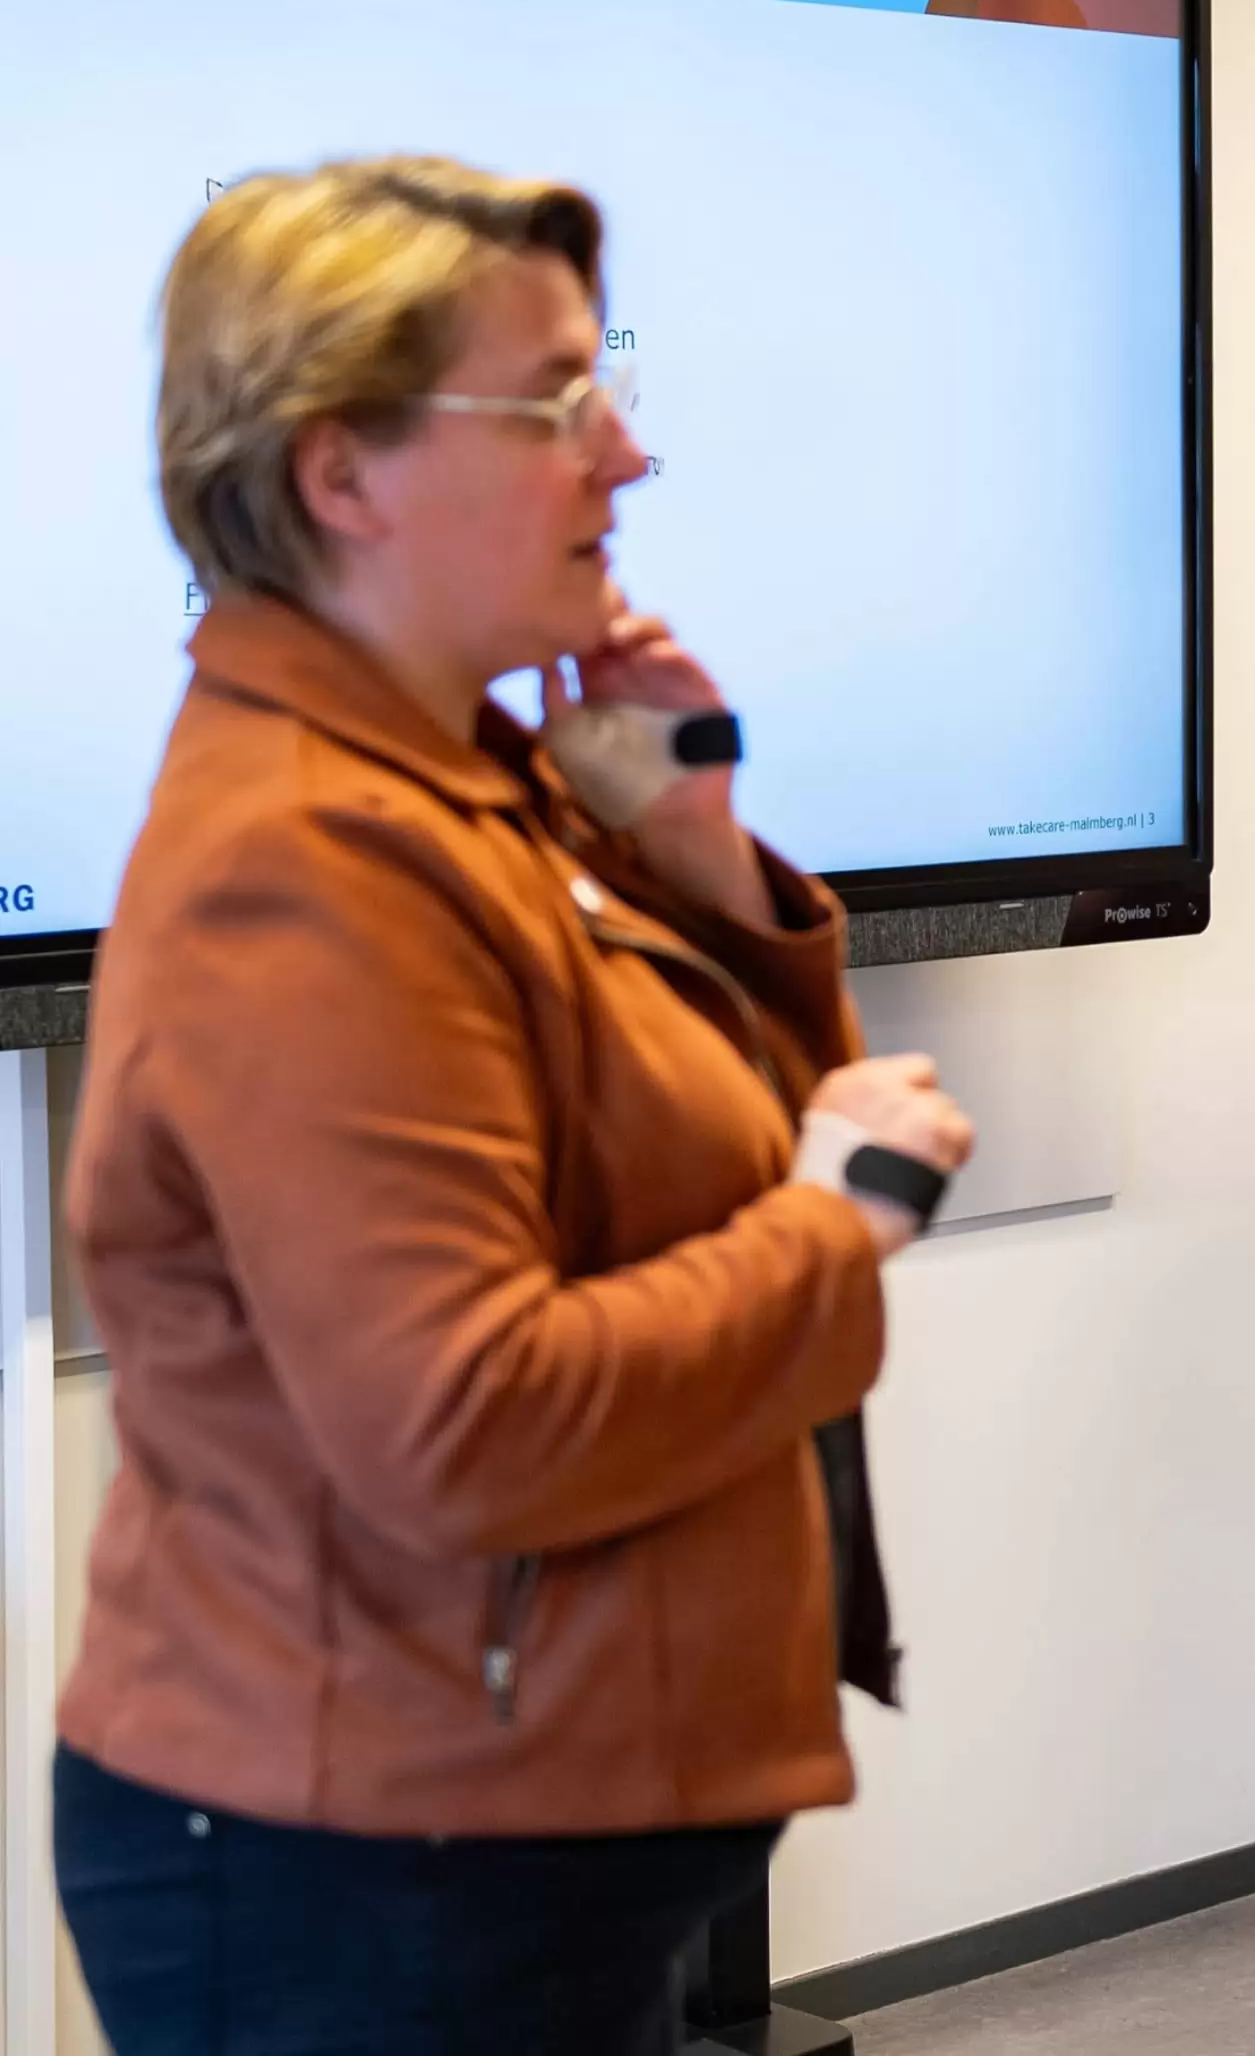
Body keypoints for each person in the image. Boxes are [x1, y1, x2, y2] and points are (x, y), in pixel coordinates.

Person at [53, 155, 972, 2055]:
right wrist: (841, 1221)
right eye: (559, 402)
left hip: (488, 1840)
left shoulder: (472, 784)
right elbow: (471, 1424)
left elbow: (705, 1136)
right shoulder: (312, 856)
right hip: (367, 1874)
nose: (627, 455)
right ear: (340, 471)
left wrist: (694, 851)